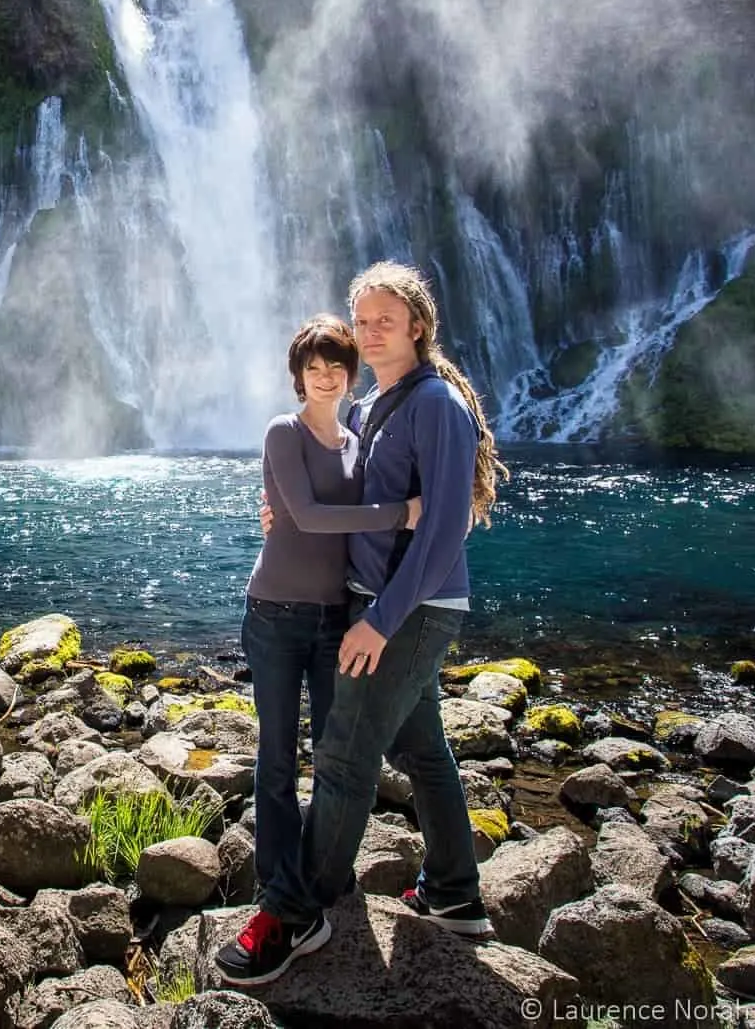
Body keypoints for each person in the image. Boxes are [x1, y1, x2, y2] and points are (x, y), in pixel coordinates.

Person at [216, 262, 509, 986]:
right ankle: (453, 891)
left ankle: (296, 910)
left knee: (343, 756)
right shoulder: (377, 403)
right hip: (385, 603)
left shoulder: (434, 403)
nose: (372, 330)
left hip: (405, 610)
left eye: (386, 318)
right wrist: (284, 518)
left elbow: (443, 530)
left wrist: (379, 618)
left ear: (418, 324)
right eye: (363, 319)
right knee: (422, 747)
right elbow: (340, 498)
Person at [244, 315, 419, 936]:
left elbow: (343, 529)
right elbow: (313, 518)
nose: (325, 377)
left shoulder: (356, 440)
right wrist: (403, 513)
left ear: (350, 374)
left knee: (332, 749)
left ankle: (323, 871)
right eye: (313, 368)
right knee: (277, 752)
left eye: (335, 366)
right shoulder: (282, 432)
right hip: (273, 615)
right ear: (299, 376)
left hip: (332, 619)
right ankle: (275, 878)